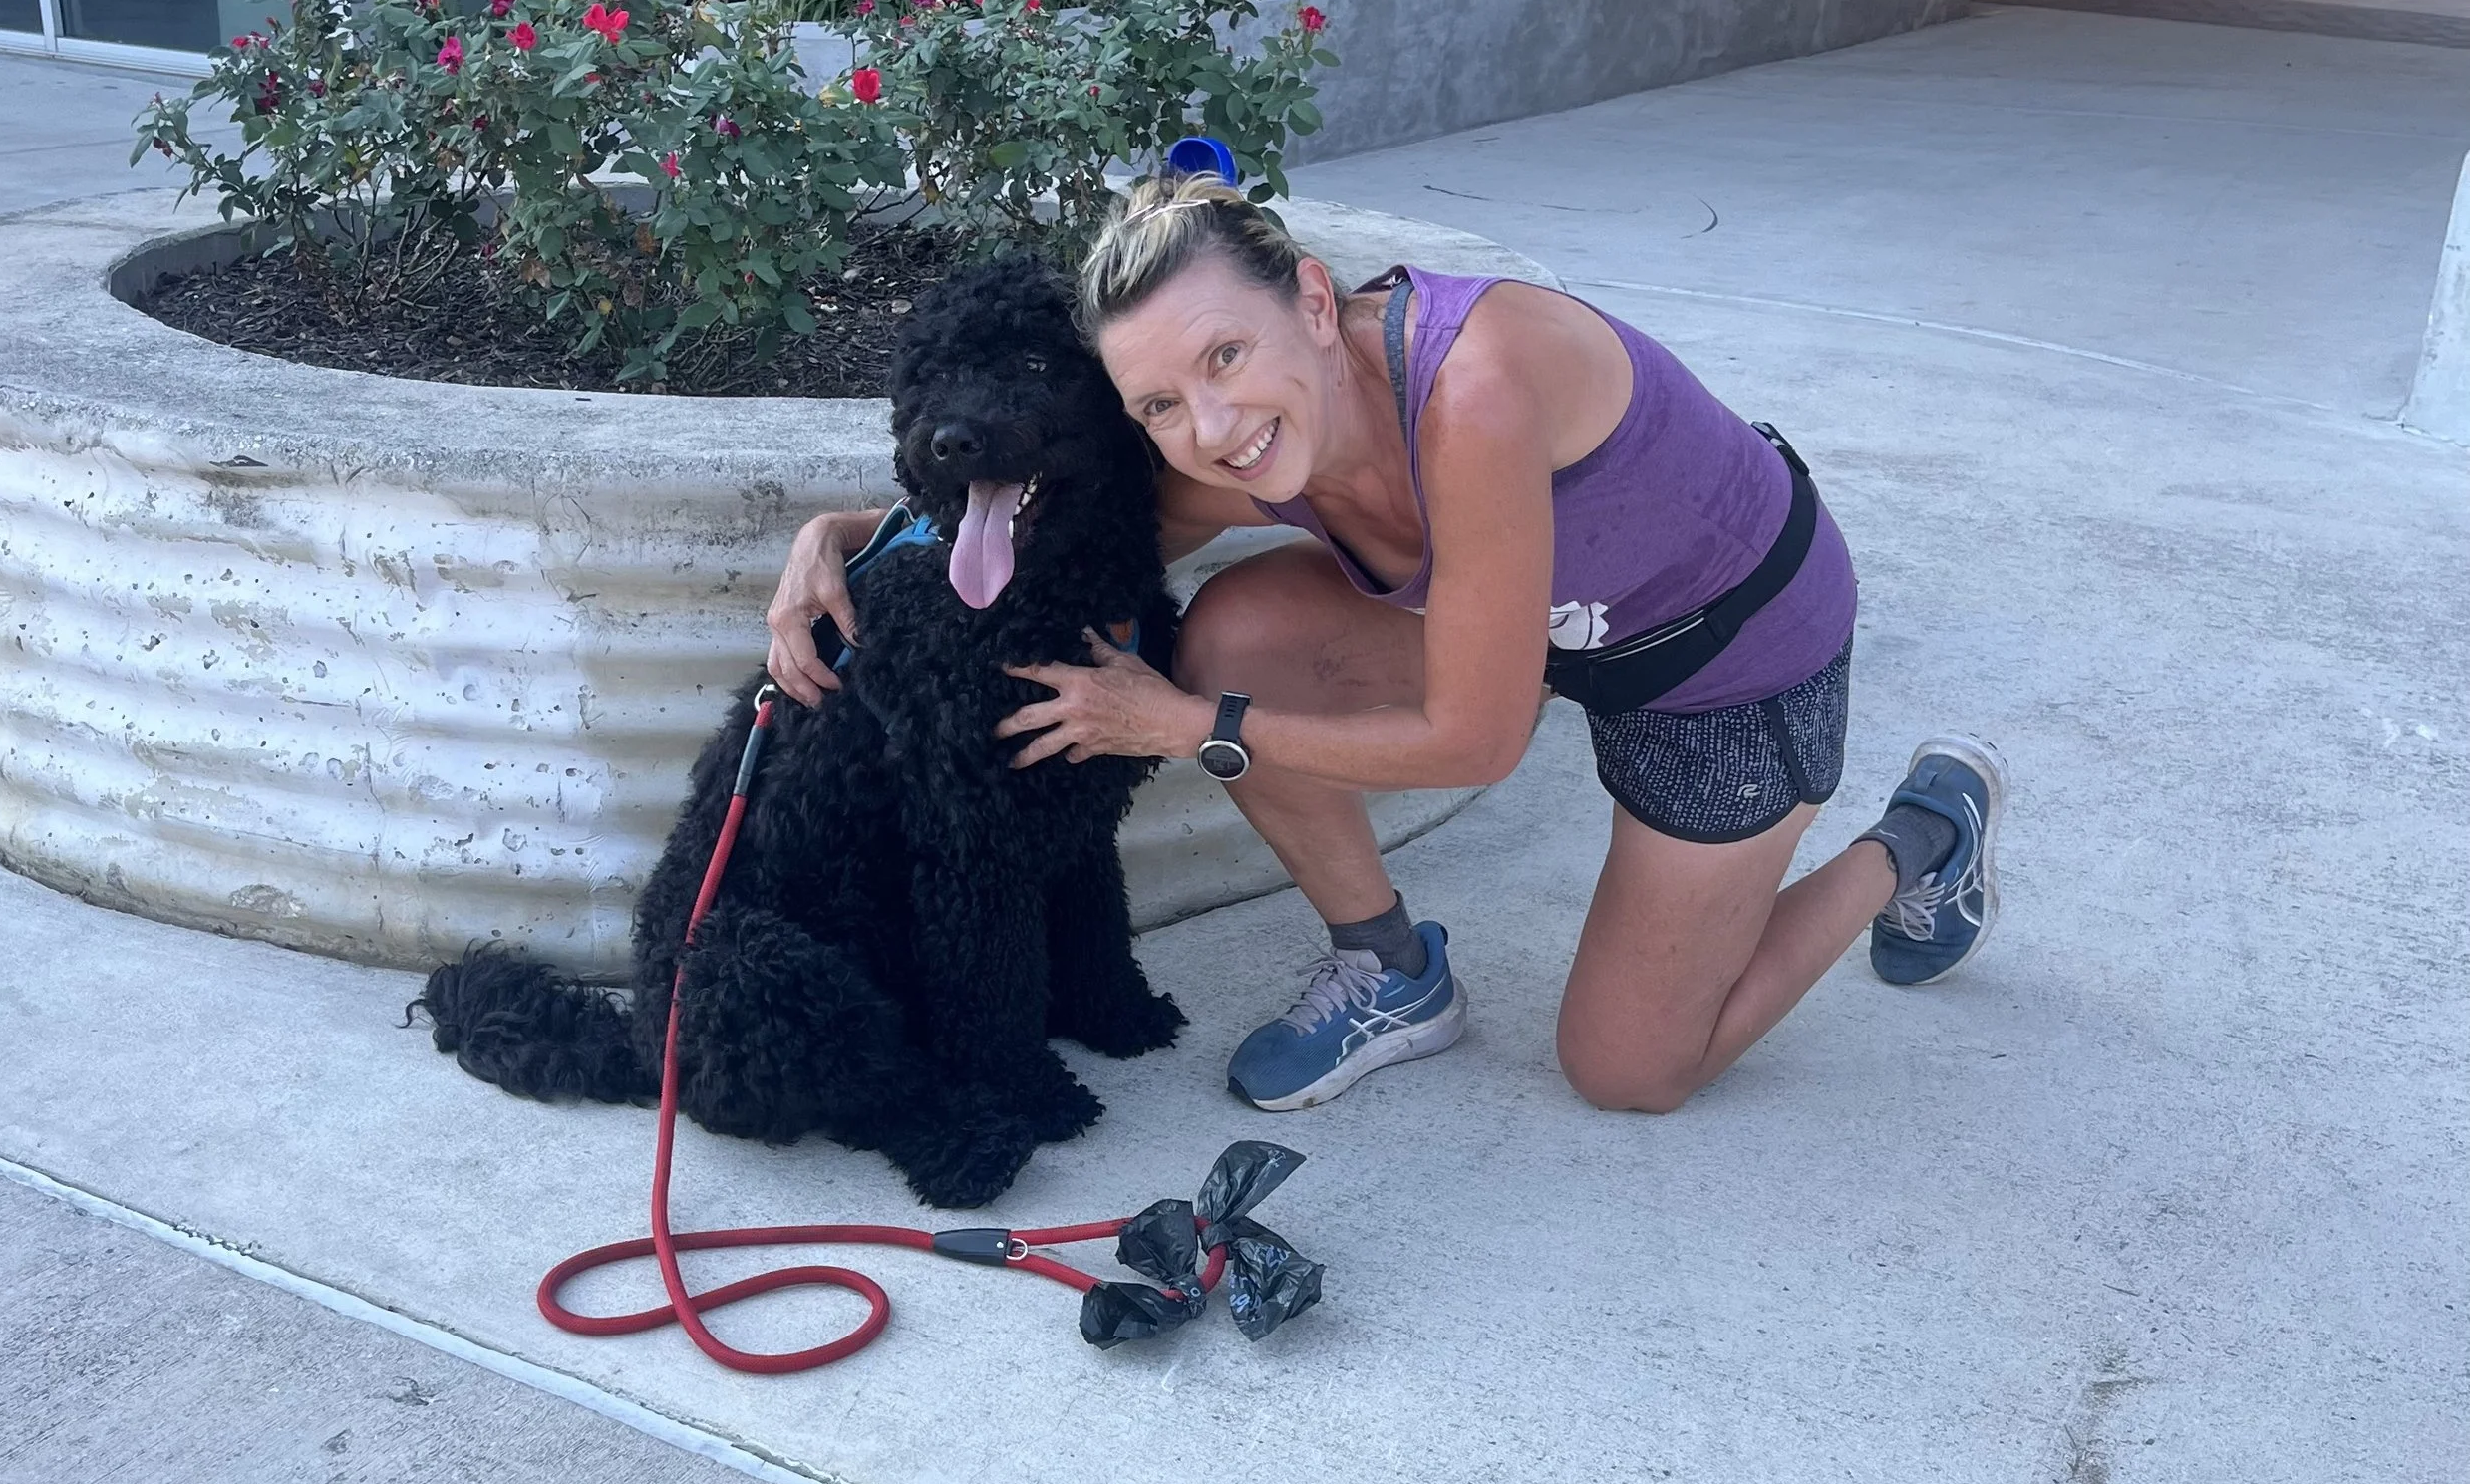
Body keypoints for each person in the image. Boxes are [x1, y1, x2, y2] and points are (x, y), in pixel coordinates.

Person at [765, 174, 2007, 1116]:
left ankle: (1918, 840)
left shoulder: (1474, 385)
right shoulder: (1245, 440)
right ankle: (1390, 969)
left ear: (1312, 299)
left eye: (1226, 353)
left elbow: (1477, 737)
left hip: (1724, 655)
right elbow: (1081, 519)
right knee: (1234, 633)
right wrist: (854, 532)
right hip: (1540, 628)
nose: (1210, 425)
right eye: (1158, 403)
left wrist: (1184, 729)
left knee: (1632, 1071)